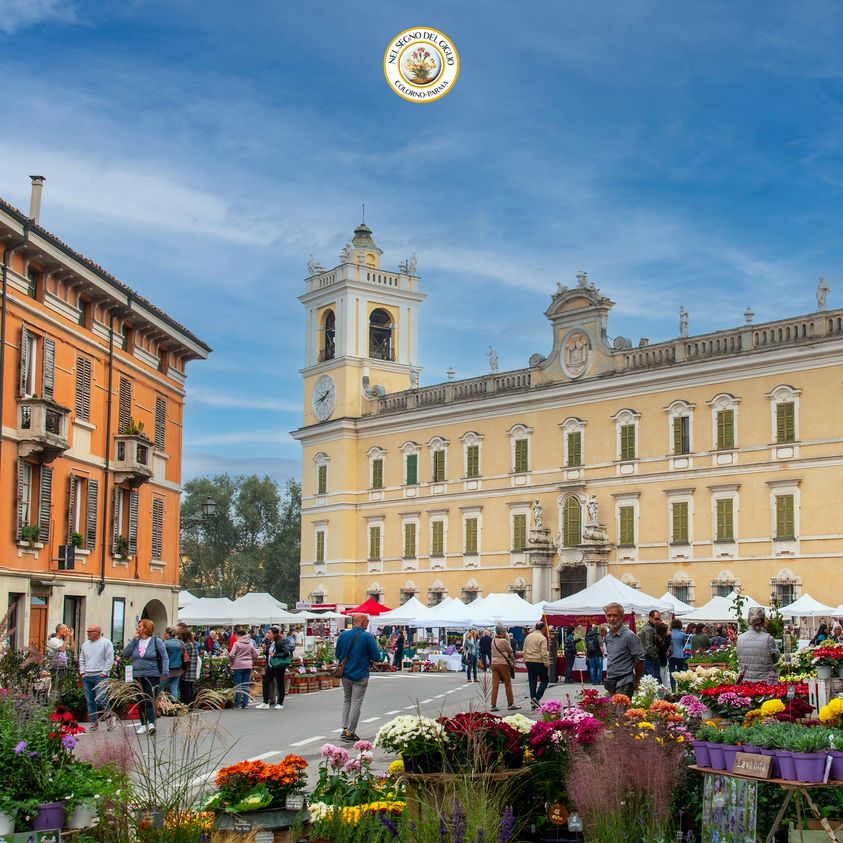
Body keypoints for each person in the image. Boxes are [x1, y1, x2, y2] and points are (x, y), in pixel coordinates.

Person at [335, 613, 380, 742]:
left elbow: (338, 654)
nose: (367, 623)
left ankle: (344, 727)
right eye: (366, 621)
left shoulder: (343, 635)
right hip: (360, 673)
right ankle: (350, 731)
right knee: (356, 702)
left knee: (347, 700)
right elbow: (376, 656)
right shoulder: (367, 637)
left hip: (345, 673)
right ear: (361, 622)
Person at [123, 619, 168, 735]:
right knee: (140, 700)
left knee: (149, 699)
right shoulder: (136, 642)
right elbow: (126, 654)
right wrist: (133, 639)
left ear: (146, 628)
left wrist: (165, 671)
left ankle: (151, 723)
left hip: (152, 674)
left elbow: (164, 657)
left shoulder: (156, 641)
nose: (137, 628)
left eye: (140, 626)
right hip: (137, 675)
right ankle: (143, 724)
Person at [602, 602, 644, 698]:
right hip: (610, 682)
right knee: (610, 711)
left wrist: (637, 682)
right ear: (606, 617)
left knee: (620, 711)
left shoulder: (629, 636)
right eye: (609, 615)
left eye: (615, 615)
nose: (612, 619)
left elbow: (640, 660)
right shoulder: (608, 636)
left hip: (624, 682)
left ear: (621, 617)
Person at [79, 624, 114, 729]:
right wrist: (82, 672)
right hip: (87, 675)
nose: (88, 634)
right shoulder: (85, 645)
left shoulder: (106, 643)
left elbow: (109, 658)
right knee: (90, 700)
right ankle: (94, 723)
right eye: (87, 631)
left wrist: (105, 672)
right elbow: (81, 659)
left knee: (100, 698)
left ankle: (109, 716)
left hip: (100, 675)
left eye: (90, 632)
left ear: (97, 633)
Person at [737, 607, 780, 682]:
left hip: (745, 683)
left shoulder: (740, 638)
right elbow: (776, 659)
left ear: (748, 620)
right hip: (766, 683)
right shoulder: (768, 639)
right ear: (763, 621)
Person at [258, 627, 292, 710]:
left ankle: (280, 703)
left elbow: (286, 652)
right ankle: (265, 702)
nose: (267, 634)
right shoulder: (270, 642)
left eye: (269, 633)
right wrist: (265, 650)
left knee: (280, 683)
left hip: (279, 665)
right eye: (267, 632)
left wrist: (276, 655)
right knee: (265, 682)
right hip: (271, 666)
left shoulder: (280, 641)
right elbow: (269, 654)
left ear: (274, 634)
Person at [490, 623, 520, 712]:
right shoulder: (504, 641)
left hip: (494, 664)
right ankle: (510, 703)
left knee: (495, 685)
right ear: (502, 632)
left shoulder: (493, 640)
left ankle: (493, 704)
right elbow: (510, 651)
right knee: (507, 683)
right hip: (503, 664)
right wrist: (507, 639)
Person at [229, 628, 259, 710]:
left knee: (238, 685)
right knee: (246, 685)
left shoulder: (237, 643)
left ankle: (237, 703)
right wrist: (251, 661)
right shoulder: (250, 643)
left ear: (238, 636)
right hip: (248, 665)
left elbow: (231, 654)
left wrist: (232, 661)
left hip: (238, 665)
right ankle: (245, 704)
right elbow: (256, 654)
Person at [523, 622, 550, 708]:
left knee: (532, 681)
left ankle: (533, 700)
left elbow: (524, 649)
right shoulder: (542, 638)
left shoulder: (528, 636)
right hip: (539, 661)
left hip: (529, 661)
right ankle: (537, 698)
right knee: (545, 680)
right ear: (542, 629)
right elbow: (544, 653)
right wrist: (546, 663)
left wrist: (526, 658)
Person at [46, 623, 74, 699]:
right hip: (56, 667)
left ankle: (57, 703)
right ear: (60, 630)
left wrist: (71, 637)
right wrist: (67, 637)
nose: (67, 630)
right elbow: (61, 649)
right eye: (65, 629)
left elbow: (72, 649)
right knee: (56, 686)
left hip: (63, 666)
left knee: (60, 686)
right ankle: (52, 703)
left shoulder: (62, 640)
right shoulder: (53, 640)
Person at [638, 610, 662, 681]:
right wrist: (655, 656)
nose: (657, 621)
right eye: (656, 619)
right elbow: (649, 646)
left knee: (652, 679)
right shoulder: (648, 629)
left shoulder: (652, 627)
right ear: (650, 618)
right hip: (649, 657)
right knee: (653, 680)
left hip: (649, 657)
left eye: (659, 619)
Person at [163, 627, 186, 701]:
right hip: (178, 668)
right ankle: (174, 705)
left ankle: (160, 705)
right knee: (174, 687)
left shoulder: (165, 643)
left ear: (168, 634)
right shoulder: (181, 642)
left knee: (160, 687)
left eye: (165, 633)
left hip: (167, 668)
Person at [178, 627, 200, 705]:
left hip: (187, 670)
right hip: (192, 669)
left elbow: (182, 656)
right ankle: (191, 704)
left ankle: (187, 704)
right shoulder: (194, 644)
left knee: (185, 689)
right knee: (190, 688)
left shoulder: (187, 645)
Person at [668, 618, 688, 690]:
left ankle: (673, 689)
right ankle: (680, 688)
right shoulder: (682, 635)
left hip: (670, 655)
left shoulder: (669, 634)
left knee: (672, 672)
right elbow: (684, 645)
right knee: (680, 672)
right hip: (680, 655)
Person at [655, 622, 671, 688]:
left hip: (662, 660)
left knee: (663, 677)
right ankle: (663, 693)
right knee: (662, 678)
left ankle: (664, 693)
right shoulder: (661, 638)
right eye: (667, 630)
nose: (668, 631)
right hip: (660, 660)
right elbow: (663, 648)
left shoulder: (665, 638)